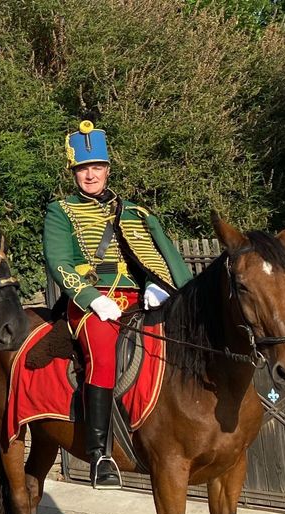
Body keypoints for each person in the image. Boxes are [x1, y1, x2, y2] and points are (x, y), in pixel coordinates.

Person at [43, 120, 193, 489]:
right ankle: (100, 454)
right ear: (74, 172)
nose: (89, 175)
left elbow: (165, 254)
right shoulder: (60, 211)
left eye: (96, 167)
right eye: (82, 169)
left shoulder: (136, 212)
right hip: (92, 304)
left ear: (108, 169)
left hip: (140, 300)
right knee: (104, 355)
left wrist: (165, 287)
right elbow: (58, 259)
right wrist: (93, 299)